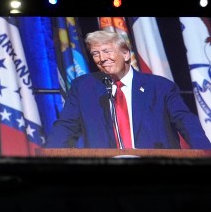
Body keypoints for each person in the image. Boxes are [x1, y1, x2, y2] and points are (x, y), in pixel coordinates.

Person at [45, 29, 211, 150]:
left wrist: (205, 155)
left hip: (156, 174)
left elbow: (187, 123)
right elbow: (66, 127)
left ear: (125, 54)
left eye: (107, 51)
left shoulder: (160, 87)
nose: (102, 59)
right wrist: (48, 159)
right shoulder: (83, 87)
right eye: (95, 53)